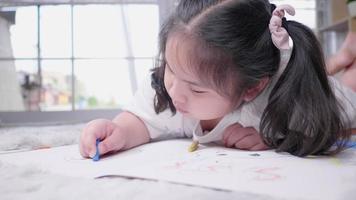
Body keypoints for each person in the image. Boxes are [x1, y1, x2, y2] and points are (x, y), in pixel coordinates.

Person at [80, 0, 356, 158]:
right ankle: (338, 60)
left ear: (251, 89)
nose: (175, 93)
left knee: (348, 90)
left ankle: (344, 63)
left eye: (197, 90)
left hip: (325, 94)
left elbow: (324, 129)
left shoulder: (281, 102)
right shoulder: (167, 87)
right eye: (171, 68)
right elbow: (141, 119)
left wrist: (275, 139)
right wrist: (120, 131)